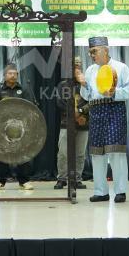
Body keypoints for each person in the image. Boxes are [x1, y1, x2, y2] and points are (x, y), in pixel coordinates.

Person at [77, 36, 129, 203]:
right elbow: (87, 96)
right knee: (97, 153)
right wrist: (83, 84)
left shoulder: (121, 67)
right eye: (90, 52)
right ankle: (101, 191)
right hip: (96, 111)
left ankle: (120, 191)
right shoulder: (90, 70)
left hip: (114, 109)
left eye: (94, 51)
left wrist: (115, 93)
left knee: (116, 152)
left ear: (106, 50)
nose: (92, 55)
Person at [0, 63, 35, 191]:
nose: (13, 76)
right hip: (3, 129)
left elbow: (30, 108)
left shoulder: (24, 90)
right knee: (1, 155)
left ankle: (24, 181)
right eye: (10, 73)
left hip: (22, 128)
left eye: (15, 73)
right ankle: (0, 181)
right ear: (5, 76)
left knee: (23, 154)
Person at [54, 57, 88, 190]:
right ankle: (61, 179)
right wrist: (72, 114)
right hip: (66, 123)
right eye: (74, 65)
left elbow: (91, 100)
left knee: (80, 153)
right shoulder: (63, 85)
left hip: (83, 122)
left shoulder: (86, 84)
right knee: (63, 153)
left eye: (79, 65)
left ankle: (77, 179)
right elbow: (60, 103)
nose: (77, 68)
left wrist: (80, 112)